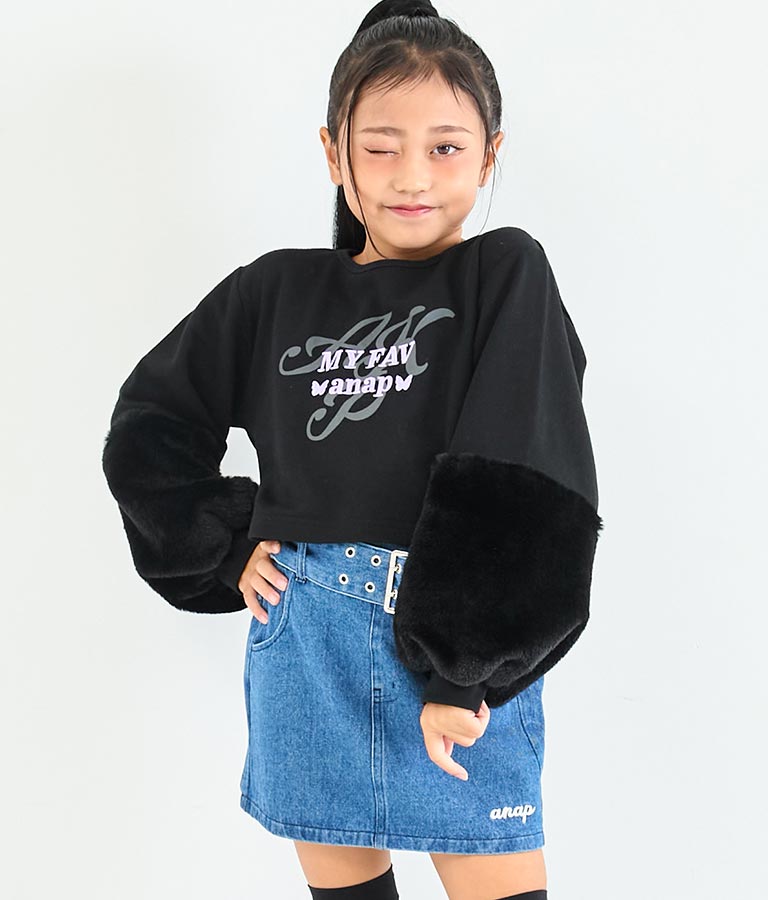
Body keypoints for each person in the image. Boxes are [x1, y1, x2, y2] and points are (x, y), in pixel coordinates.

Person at [101, 1, 604, 897]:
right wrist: (223, 543)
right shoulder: (273, 291)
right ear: (335, 154)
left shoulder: (505, 275)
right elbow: (152, 421)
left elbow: (528, 474)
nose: (412, 175)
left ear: (490, 155)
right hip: (306, 641)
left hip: (454, 641)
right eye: (380, 146)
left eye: (446, 147)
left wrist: (465, 673)